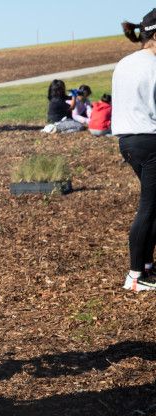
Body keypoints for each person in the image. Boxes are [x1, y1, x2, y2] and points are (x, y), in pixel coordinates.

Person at [113, 8, 156, 291]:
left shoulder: (125, 63)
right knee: (148, 207)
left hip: (127, 141)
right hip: (151, 141)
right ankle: (135, 275)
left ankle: (147, 266)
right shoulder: (153, 64)